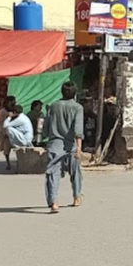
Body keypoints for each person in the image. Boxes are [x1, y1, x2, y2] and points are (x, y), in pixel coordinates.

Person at [43, 81, 84, 213]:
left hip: (55, 144)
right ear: (75, 93)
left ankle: (54, 202)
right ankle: (77, 197)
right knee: (75, 171)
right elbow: (78, 129)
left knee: (52, 173)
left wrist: (44, 139)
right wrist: (78, 148)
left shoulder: (53, 106)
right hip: (70, 145)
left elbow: (46, 127)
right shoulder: (77, 108)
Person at [0, 96, 16, 170]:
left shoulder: (14, 110)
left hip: (14, 132)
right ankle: (8, 163)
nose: (14, 103)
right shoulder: (3, 111)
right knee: (7, 149)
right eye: (12, 101)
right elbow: (1, 123)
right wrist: (4, 132)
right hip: (6, 132)